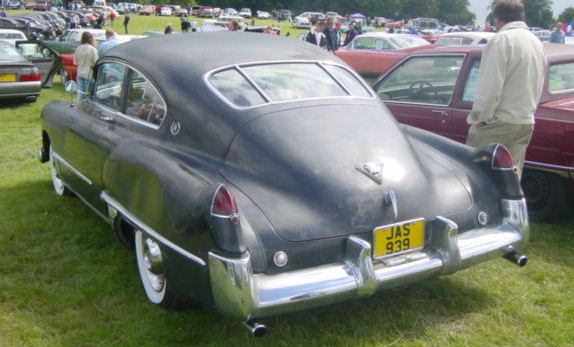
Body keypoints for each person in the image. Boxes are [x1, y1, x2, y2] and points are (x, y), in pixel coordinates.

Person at [466, 0, 546, 179]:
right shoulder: (535, 41)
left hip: (499, 121)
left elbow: (490, 87)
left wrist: (479, 119)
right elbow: (539, 82)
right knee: (511, 179)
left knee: (479, 177)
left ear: (498, 19)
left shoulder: (501, 40)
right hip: (525, 119)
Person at [73, 31, 98, 100]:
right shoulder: (93, 49)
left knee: (80, 94)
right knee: (87, 94)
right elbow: (96, 63)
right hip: (89, 74)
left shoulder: (78, 48)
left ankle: (78, 108)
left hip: (80, 72)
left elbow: (75, 62)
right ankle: (86, 109)